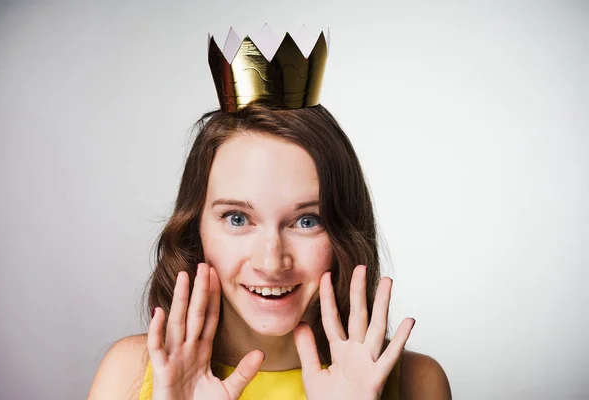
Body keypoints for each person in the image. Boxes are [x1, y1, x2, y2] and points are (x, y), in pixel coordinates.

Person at [88, 28, 451, 400]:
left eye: (306, 221)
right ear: (195, 228)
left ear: (346, 230)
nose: (271, 261)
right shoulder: (130, 371)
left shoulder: (417, 382)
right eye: (237, 218)